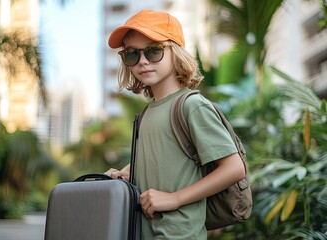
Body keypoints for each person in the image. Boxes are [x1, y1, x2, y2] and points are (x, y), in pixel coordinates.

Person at [105, 9, 245, 239]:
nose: (142, 61)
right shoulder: (146, 113)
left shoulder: (191, 106)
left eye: (153, 51)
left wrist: (175, 198)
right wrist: (126, 175)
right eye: (131, 55)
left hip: (180, 234)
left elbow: (233, 168)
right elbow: (165, 164)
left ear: (175, 51)